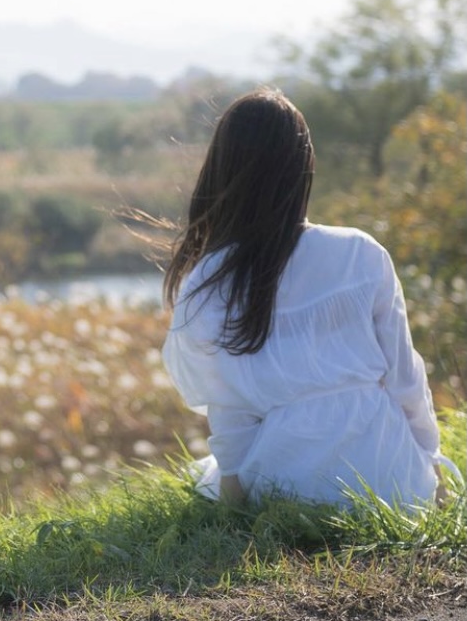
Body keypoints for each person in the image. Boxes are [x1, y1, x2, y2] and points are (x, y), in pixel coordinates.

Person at [161, 86, 447, 508]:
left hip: (287, 483)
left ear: (221, 169)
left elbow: (231, 409)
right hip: (388, 476)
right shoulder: (360, 251)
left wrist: (235, 500)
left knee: (203, 476)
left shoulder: (213, 276)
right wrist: (431, 468)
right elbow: (406, 379)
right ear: (304, 165)